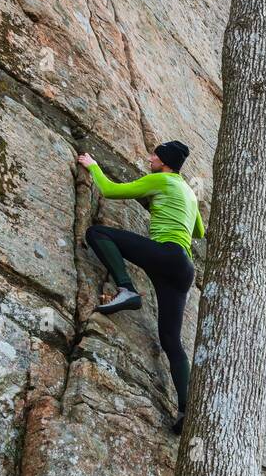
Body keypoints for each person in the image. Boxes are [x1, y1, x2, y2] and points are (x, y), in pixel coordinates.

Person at [77, 141, 205, 434]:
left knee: (97, 232)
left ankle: (127, 288)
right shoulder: (188, 192)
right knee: (171, 340)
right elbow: (199, 231)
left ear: (164, 162)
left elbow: (110, 191)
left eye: (154, 156)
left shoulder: (160, 180)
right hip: (182, 268)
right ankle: (187, 411)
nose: (149, 159)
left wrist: (92, 165)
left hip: (166, 255)